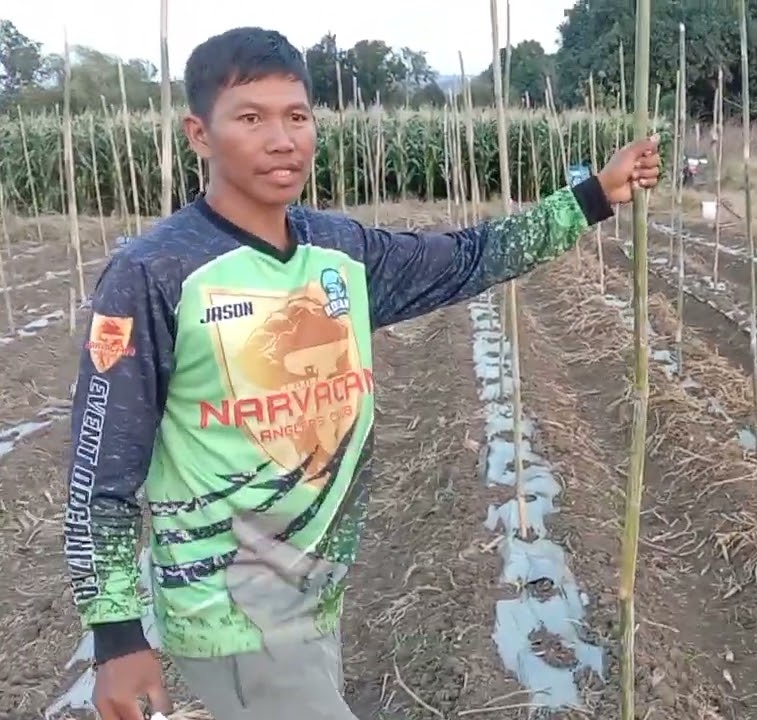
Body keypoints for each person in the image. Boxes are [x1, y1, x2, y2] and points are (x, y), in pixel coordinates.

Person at [62, 26, 660, 720]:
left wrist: (592, 197)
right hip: (233, 605)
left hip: (315, 590)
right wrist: (115, 635)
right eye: (251, 118)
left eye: (297, 116)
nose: (283, 139)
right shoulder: (155, 273)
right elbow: (99, 470)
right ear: (199, 134)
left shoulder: (337, 250)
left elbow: (469, 258)